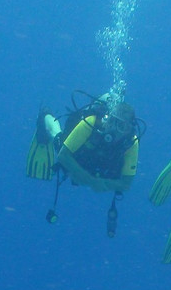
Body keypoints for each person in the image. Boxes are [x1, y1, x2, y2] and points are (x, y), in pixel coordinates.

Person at [26, 93, 141, 237]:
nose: (114, 129)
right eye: (112, 122)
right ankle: (46, 115)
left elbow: (126, 184)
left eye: (121, 126)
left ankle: (112, 96)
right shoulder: (92, 122)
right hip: (78, 154)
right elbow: (63, 155)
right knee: (57, 138)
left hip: (95, 167)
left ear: (129, 129)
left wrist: (102, 183)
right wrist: (91, 180)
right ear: (107, 118)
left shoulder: (131, 143)